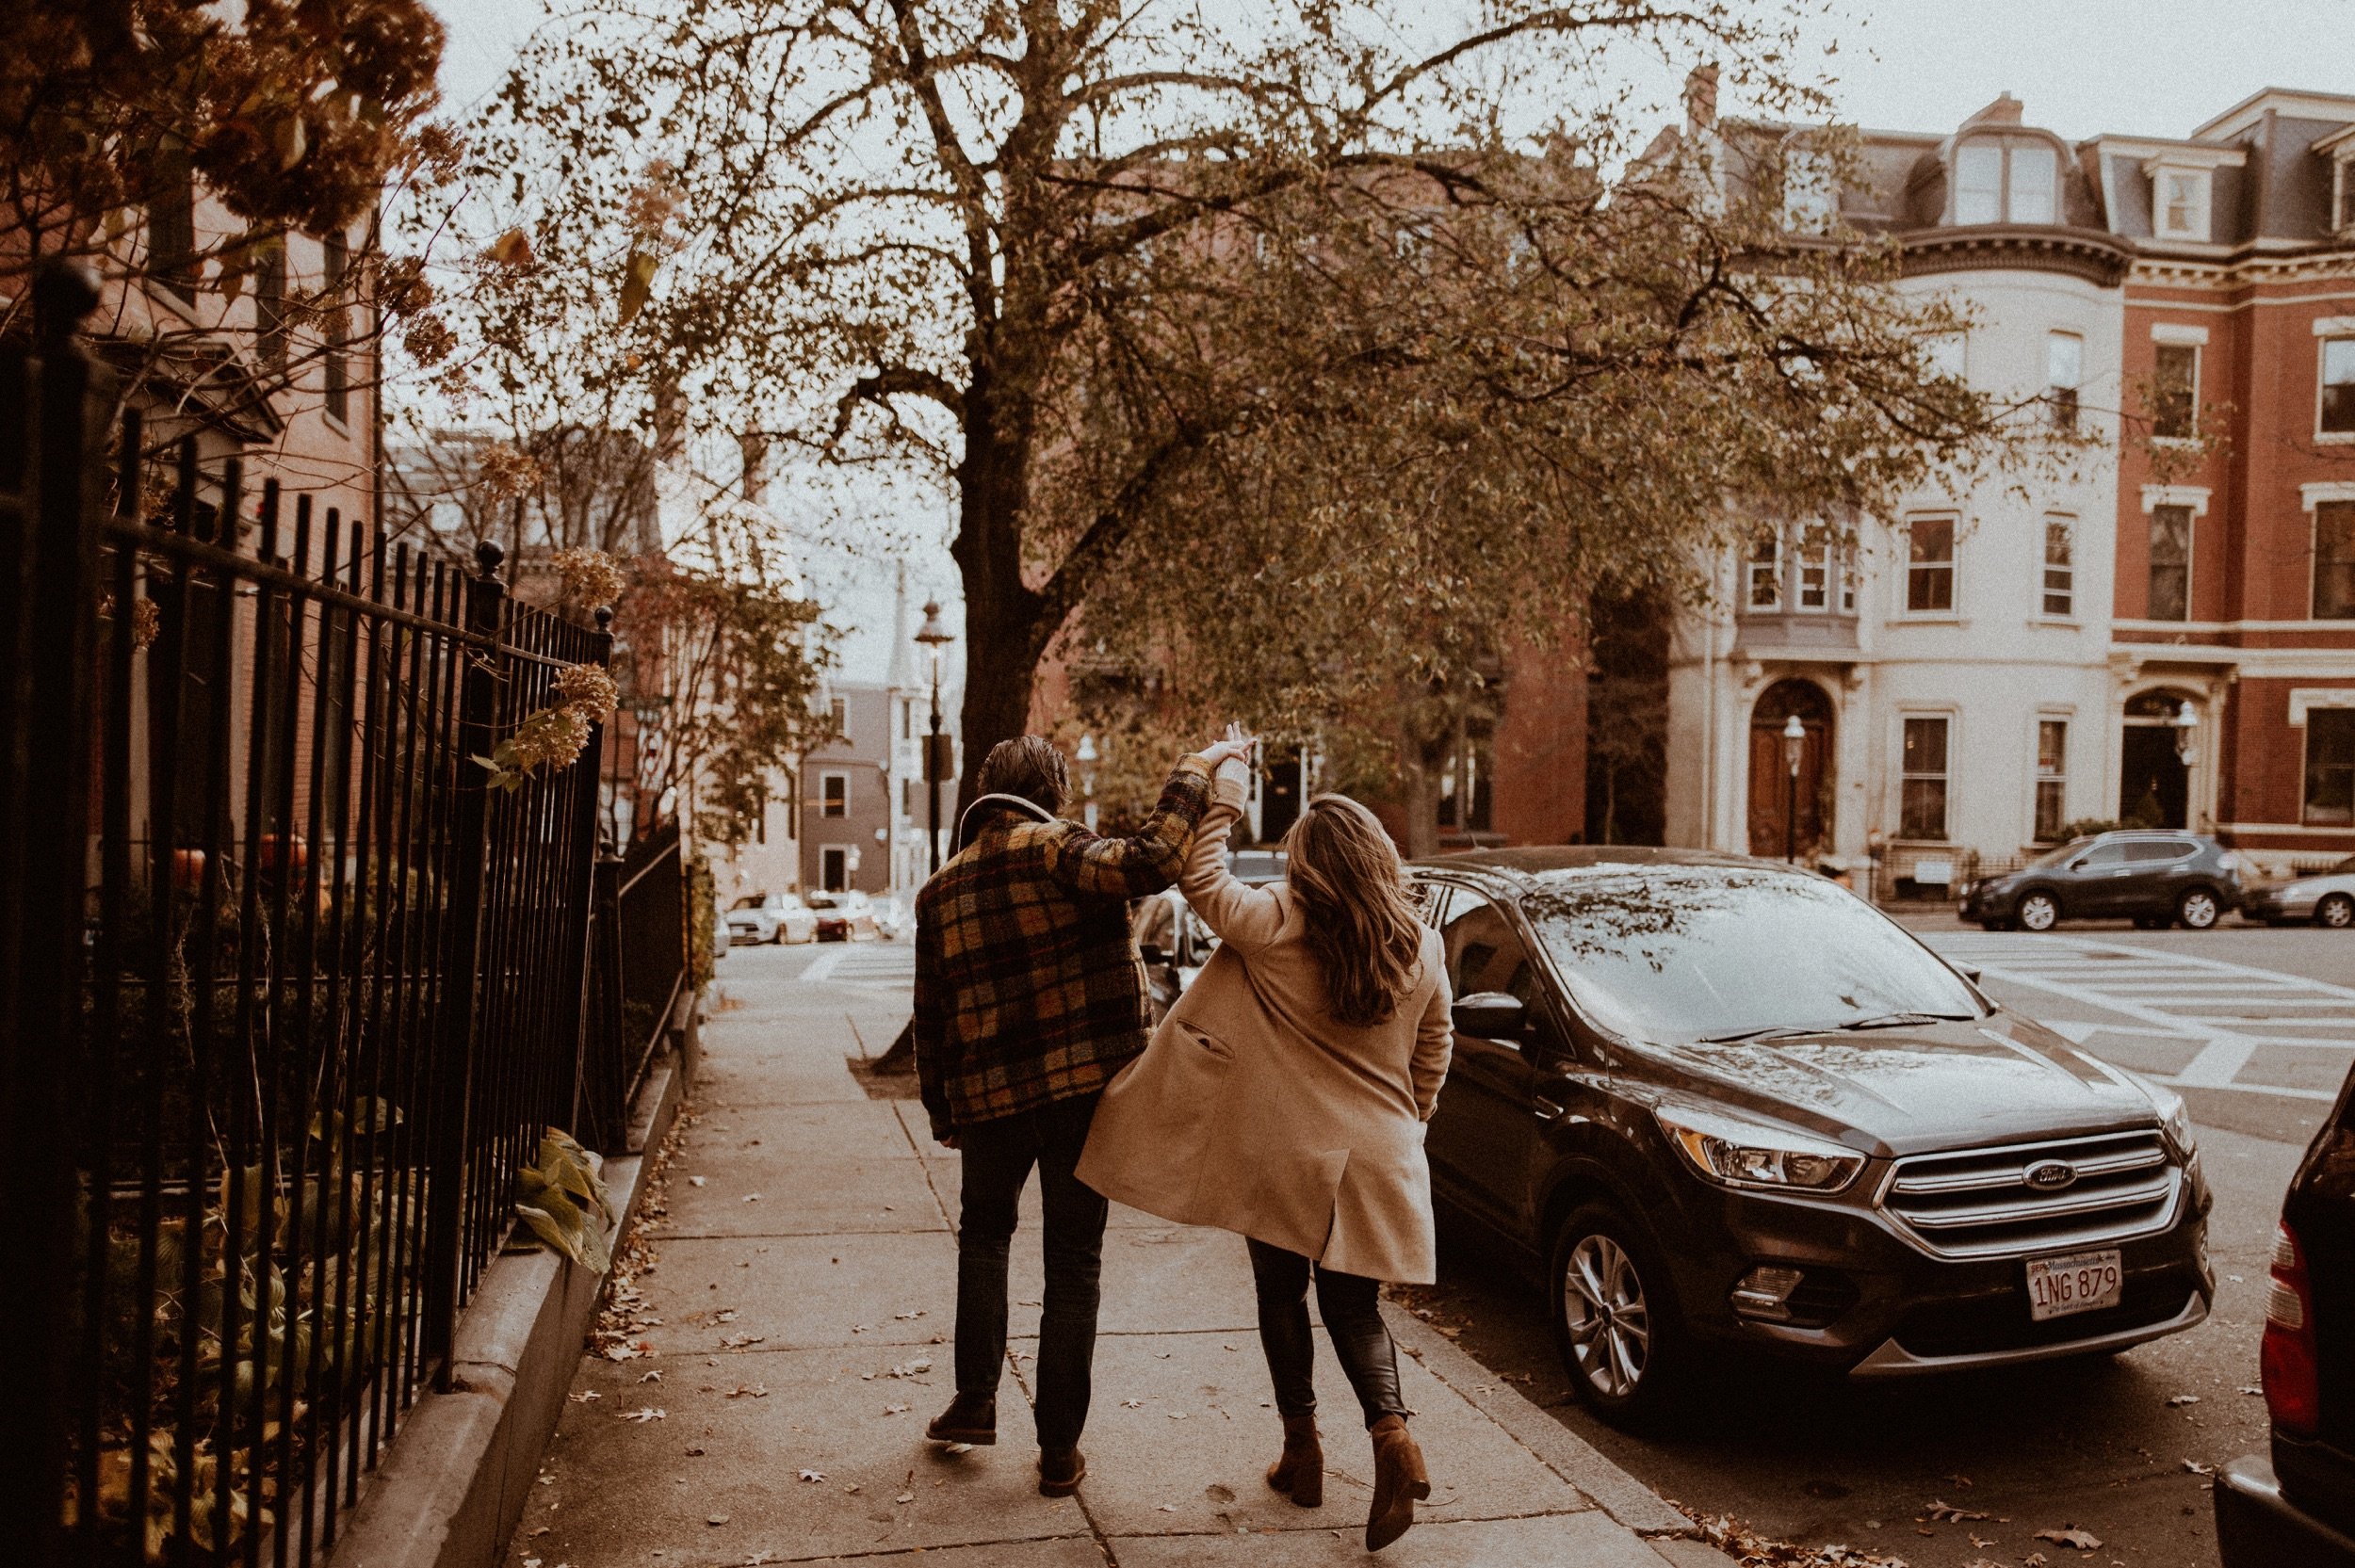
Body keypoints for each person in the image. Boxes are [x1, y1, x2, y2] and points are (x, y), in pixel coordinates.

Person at [1076, 727, 1454, 1551]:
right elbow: (1436, 1049)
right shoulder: (1422, 945)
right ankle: (1392, 1434)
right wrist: (1410, 1120)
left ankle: (1302, 1449)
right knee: (1354, 1309)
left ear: (1309, 863)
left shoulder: (1277, 924)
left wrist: (1230, 784)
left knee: (1280, 1293)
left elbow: (1198, 873)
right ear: (1380, 855)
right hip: (1380, 1157)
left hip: (1284, 1154)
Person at [912, 730, 1252, 1497]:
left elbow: (929, 1016)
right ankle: (1059, 1452)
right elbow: (1157, 861)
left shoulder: (939, 889)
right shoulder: (1055, 847)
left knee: (984, 1238)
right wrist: (1194, 769)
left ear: (985, 790)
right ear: (1053, 792)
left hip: (989, 1101)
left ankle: (974, 1401)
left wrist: (944, 1111)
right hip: (1080, 1092)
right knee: (1073, 1264)